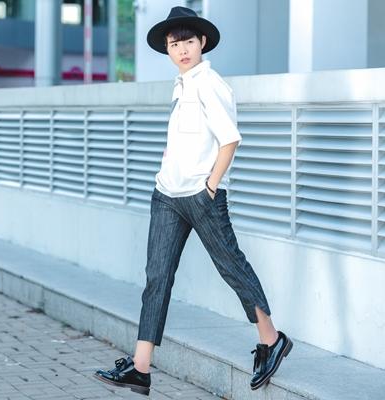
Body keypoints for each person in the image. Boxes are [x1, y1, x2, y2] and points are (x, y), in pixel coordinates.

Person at [93, 6, 292, 396]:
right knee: (157, 278)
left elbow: (230, 139)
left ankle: (272, 340)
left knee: (231, 267)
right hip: (167, 196)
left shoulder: (209, 83)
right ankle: (140, 367)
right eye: (174, 44)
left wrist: (210, 186)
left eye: (187, 41)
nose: (181, 49)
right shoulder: (181, 85)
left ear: (202, 42)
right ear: (167, 50)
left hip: (202, 198)